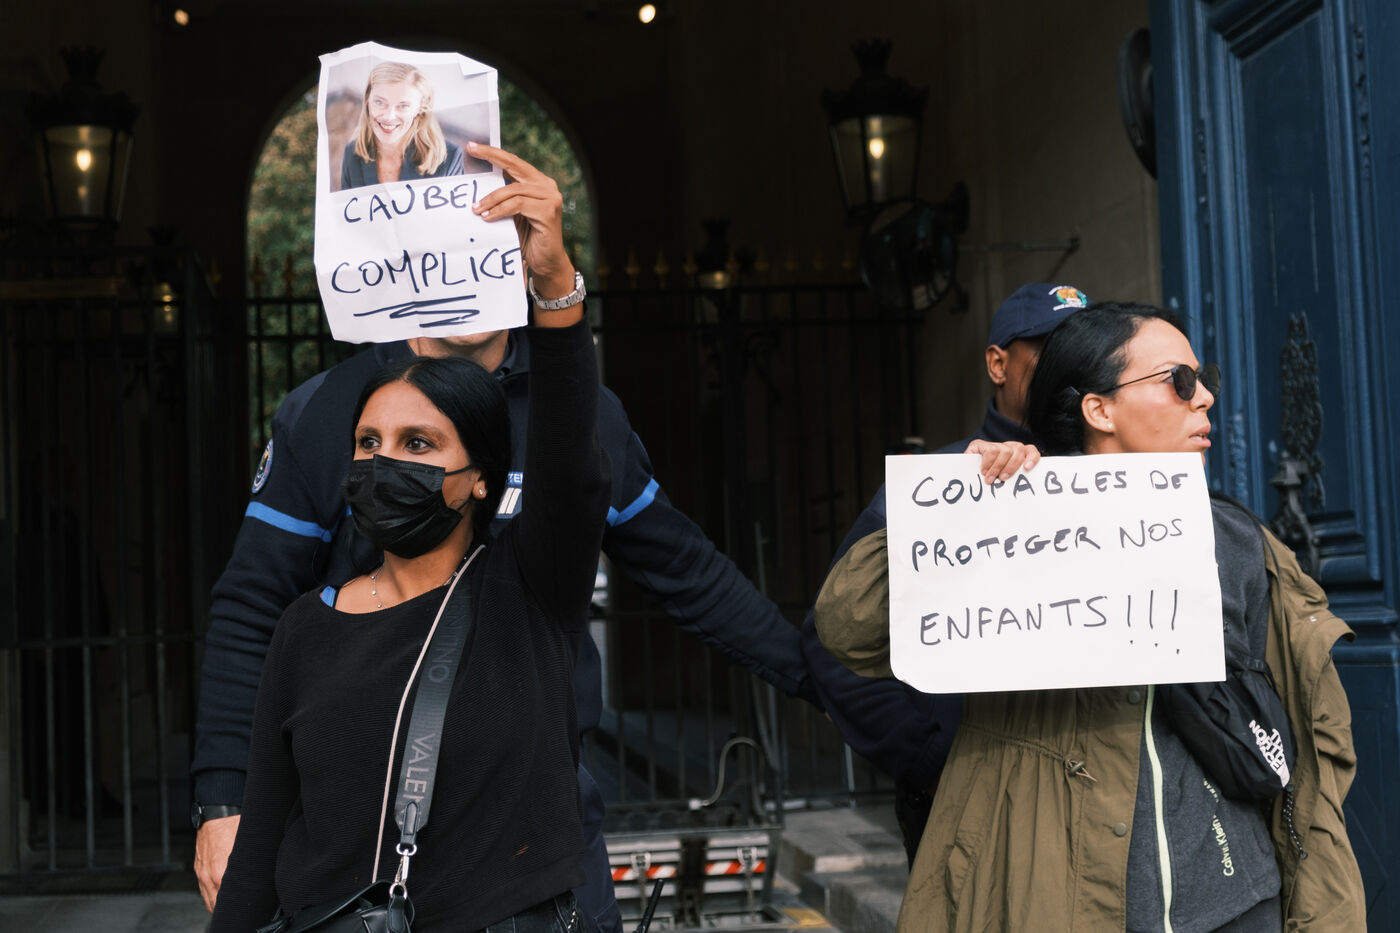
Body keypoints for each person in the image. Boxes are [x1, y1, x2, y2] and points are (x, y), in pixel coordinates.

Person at [193, 142, 819, 932]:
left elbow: (689, 571)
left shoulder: (577, 417)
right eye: (376, 446)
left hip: (537, 815)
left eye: (484, 234)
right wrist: (222, 796)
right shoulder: (335, 410)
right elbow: (252, 606)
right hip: (359, 825)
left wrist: (824, 679)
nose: (388, 455)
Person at [814, 300, 1365, 931]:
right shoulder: (1006, 526)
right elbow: (848, 628)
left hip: (1236, 903)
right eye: (1180, 381)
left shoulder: (1242, 543)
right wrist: (959, 509)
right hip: (1054, 900)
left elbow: (1313, 750)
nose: (1206, 397)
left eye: (1204, 378)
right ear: (1099, 410)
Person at [209, 168, 603, 929]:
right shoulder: (305, 629)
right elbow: (260, 853)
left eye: (418, 443)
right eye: (369, 442)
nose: (385, 461)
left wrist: (554, 285)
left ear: (480, 476)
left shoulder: (528, 594)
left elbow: (570, 460)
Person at [799, 282, 1088, 863]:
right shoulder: (934, 486)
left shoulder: (1121, 482)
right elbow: (830, 640)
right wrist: (929, 758)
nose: (1071, 369)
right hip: (967, 806)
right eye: (1049, 353)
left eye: (1083, 353)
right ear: (997, 365)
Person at [339, 61, 467, 190]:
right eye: (379, 102)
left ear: (420, 108)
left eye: (403, 106)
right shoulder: (352, 153)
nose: (389, 117)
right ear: (367, 100)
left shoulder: (449, 159)